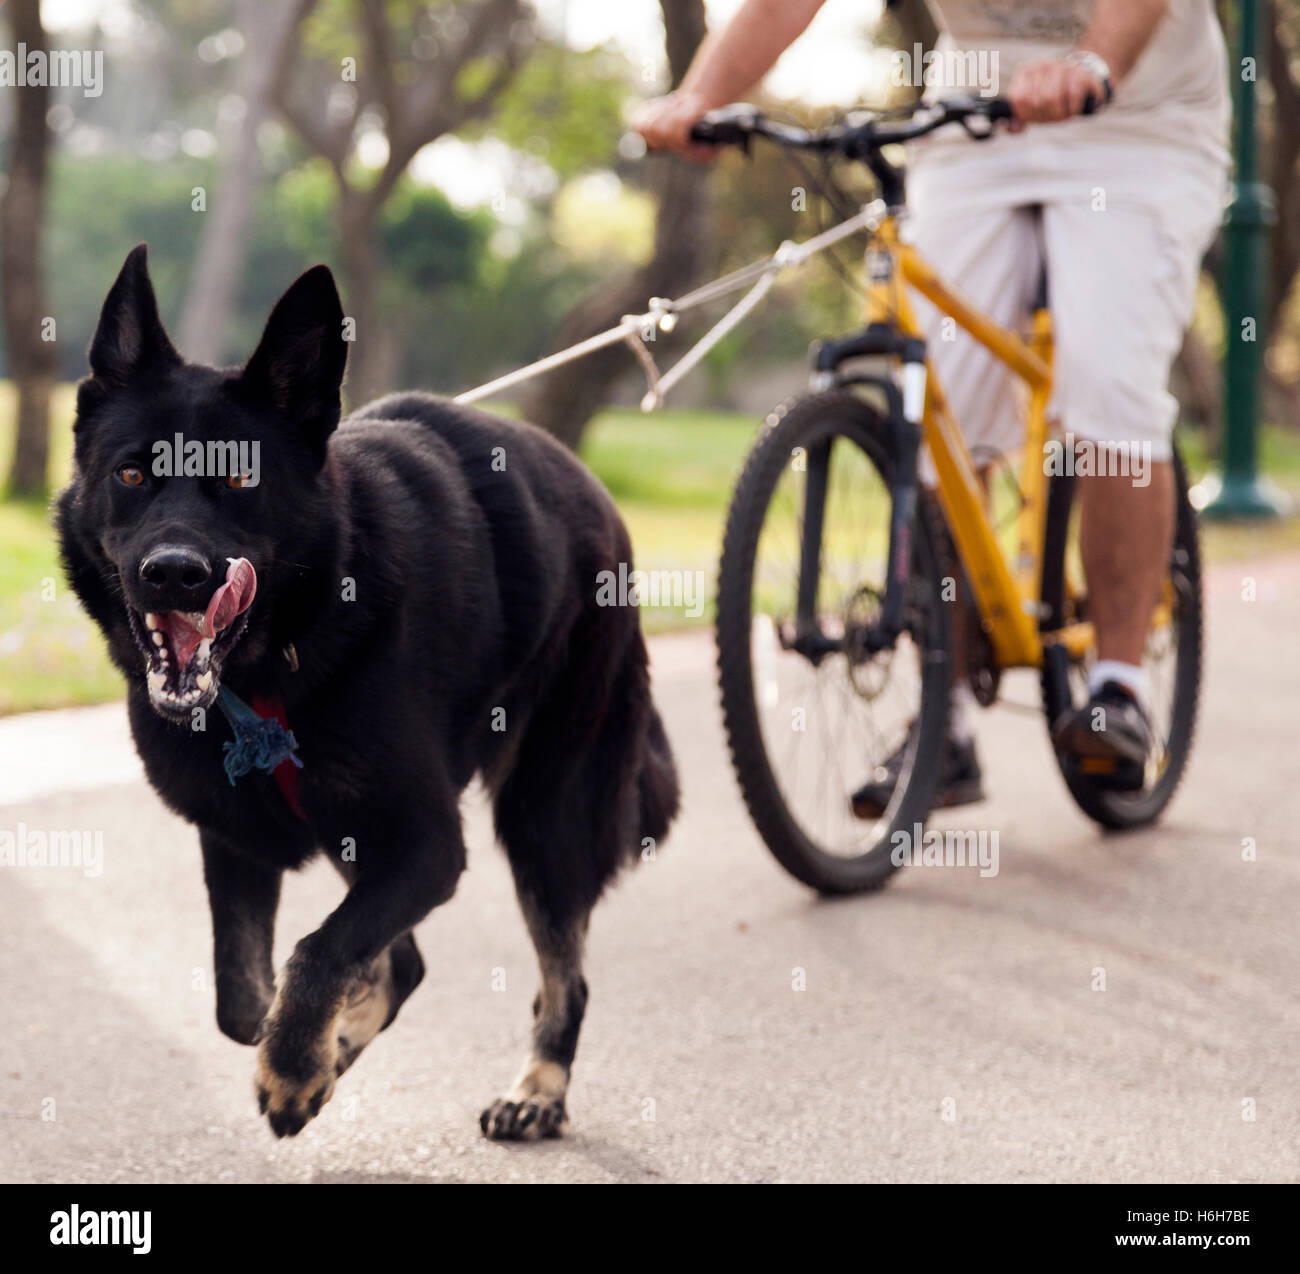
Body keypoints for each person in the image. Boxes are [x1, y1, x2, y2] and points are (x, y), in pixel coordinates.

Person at [636, 0, 1229, 811]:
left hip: (1138, 125)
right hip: (974, 120)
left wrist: (1093, 64)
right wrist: (700, 95)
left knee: (1104, 382)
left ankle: (1121, 688)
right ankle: (943, 721)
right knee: (938, 409)